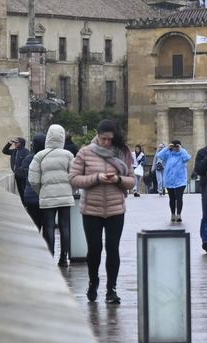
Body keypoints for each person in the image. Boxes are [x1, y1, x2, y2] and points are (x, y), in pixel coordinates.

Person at [68, 119, 136, 304]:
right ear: (97, 136)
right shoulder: (85, 153)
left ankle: (111, 289)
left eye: (109, 139)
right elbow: (73, 179)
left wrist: (117, 180)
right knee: (94, 249)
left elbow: (132, 181)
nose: (106, 142)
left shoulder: (122, 153)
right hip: (91, 209)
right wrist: (97, 178)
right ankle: (93, 282)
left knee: (113, 249)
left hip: (115, 209)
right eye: (103, 138)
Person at [28, 124, 76, 262]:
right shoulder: (68, 155)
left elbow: (33, 179)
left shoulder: (39, 156)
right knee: (64, 226)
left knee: (48, 227)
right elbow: (75, 176)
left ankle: (50, 256)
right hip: (65, 197)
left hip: (47, 197)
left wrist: (41, 191)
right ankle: (63, 257)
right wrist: (70, 191)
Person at [12, 135, 44, 240]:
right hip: (46, 197)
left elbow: (24, 176)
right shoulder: (46, 158)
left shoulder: (27, 157)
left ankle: (35, 248)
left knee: (35, 225)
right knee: (48, 226)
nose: (15, 144)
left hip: (31, 197)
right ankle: (51, 252)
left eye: (16, 142)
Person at [155, 139, 193, 221]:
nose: (175, 148)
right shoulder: (168, 153)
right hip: (169, 179)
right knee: (171, 198)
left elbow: (187, 158)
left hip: (180, 180)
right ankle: (172, 214)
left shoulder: (183, 153)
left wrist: (181, 149)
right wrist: (167, 148)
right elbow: (159, 155)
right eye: (174, 146)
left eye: (177, 146)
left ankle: (179, 215)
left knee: (179, 197)